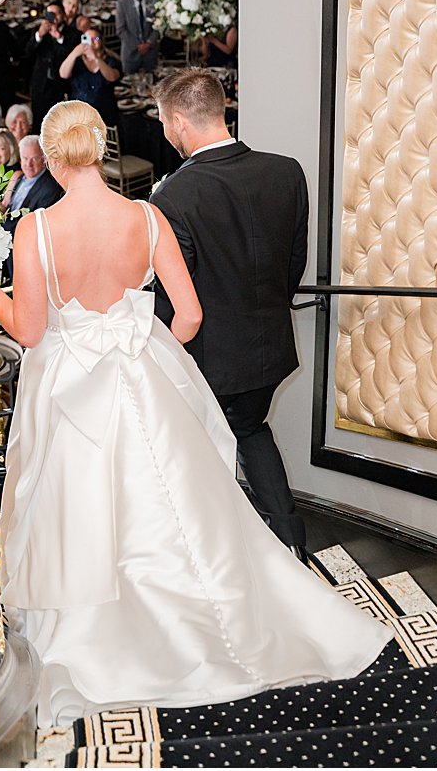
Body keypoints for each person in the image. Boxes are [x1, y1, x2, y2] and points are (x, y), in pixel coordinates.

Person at [0, 101, 390, 726]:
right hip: (140, 380)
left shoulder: (35, 230)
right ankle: (211, 630)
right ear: (103, 147)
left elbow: (28, 329)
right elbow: (188, 317)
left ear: (50, 156)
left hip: (67, 391)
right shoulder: (147, 216)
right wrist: (137, 342)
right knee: (175, 509)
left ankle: (98, 641)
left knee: (82, 510)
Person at [149, 70, 310, 558]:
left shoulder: (173, 196)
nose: (163, 132)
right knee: (251, 430)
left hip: (209, 359)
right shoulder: (287, 171)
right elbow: (293, 265)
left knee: (203, 453)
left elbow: (175, 295)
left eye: (162, 122)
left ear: (179, 120)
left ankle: (217, 558)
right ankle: (291, 543)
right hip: (271, 349)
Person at [58, 25, 121, 126]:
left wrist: (96, 58)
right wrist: (74, 53)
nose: (92, 42)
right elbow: (63, 74)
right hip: (80, 115)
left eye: (96, 38)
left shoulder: (110, 60)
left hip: (105, 113)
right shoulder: (77, 62)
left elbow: (112, 77)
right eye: (88, 39)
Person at [25, 3, 75, 128]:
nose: (53, 18)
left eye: (56, 14)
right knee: (39, 122)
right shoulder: (40, 31)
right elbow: (27, 53)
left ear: (63, 15)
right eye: (50, 14)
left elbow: (71, 55)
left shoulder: (73, 34)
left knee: (59, 124)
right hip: (40, 84)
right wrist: (39, 35)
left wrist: (59, 37)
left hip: (60, 85)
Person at [2, 135, 63, 228]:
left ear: (44, 159)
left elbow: (35, 227)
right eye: (25, 158)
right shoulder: (18, 178)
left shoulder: (50, 188)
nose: (28, 164)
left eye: (34, 159)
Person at [115, 0, 160, 76]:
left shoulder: (154, 0)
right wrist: (137, 45)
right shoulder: (122, 4)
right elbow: (121, 30)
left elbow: (159, 25)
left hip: (151, 53)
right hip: (130, 54)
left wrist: (148, 44)